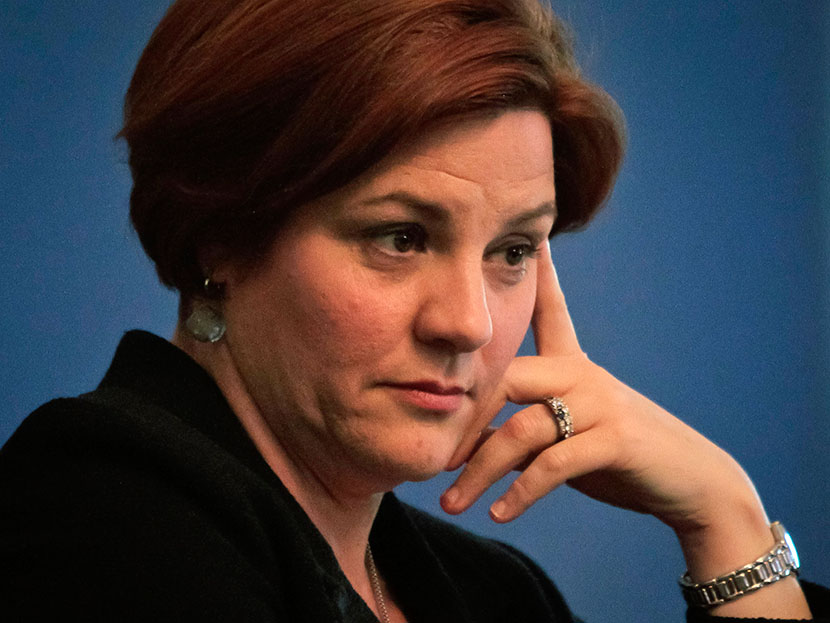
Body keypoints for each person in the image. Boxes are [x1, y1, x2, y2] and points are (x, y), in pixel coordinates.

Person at [0, 0, 826, 621]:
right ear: (222, 232)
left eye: (511, 252)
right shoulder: (97, 517)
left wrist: (730, 524)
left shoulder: (498, 596)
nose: (468, 322)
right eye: (399, 236)